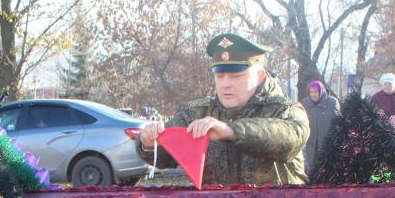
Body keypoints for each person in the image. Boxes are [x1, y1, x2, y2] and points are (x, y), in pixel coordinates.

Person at [138, 33, 309, 186]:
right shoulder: (198, 113)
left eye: (236, 76)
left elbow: (290, 138)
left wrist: (230, 131)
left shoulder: (286, 110)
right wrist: (148, 142)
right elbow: (166, 154)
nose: (225, 84)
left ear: (260, 76)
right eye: (219, 76)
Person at [300, 80, 340, 178]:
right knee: (312, 171)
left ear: (321, 91)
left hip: (327, 143)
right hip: (311, 144)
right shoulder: (305, 103)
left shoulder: (332, 102)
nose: (313, 95)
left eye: (315, 92)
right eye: (311, 92)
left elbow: (338, 123)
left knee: (328, 171)